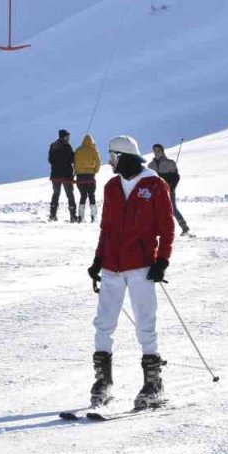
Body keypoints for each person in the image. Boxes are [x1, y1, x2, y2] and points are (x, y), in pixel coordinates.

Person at [86, 135, 176, 411]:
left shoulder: (154, 184)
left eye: (112, 156)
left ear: (123, 156)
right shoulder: (112, 186)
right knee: (103, 323)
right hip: (113, 264)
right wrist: (98, 259)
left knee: (145, 323)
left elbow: (166, 226)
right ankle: (104, 382)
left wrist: (162, 261)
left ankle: (154, 384)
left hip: (141, 265)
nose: (109, 162)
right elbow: (106, 227)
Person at [148, 143, 190, 235]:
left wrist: (172, 187)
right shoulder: (150, 166)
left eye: (158, 150)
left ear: (162, 151)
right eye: (154, 151)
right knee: (154, 209)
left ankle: (184, 227)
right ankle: (157, 230)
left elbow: (176, 177)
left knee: (172, 208)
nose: (156, 152)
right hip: (155, 191)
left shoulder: (170, 163)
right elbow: (148, 179)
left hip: (169, 189)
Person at [47, 129, 77, 222]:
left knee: (56, 194)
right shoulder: (67, 146)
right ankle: (73, 216)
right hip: (66, 175)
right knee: (70, 195)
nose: (69, 138)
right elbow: (73, 159)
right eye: (67, 136)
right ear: (64, 136)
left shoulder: (53, 146)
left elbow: (50, 160)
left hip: (55, 175)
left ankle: (52, 215)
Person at [74, 134, 101, 223]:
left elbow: (75, 163)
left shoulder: (78, 150)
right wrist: (94, 171)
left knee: (83, 195)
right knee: (91, 195)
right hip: (90, 176)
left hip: (80, 177)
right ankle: (94, 217)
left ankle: (81, 217)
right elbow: (98, 162)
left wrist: (78, 171)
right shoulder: (93, 150)